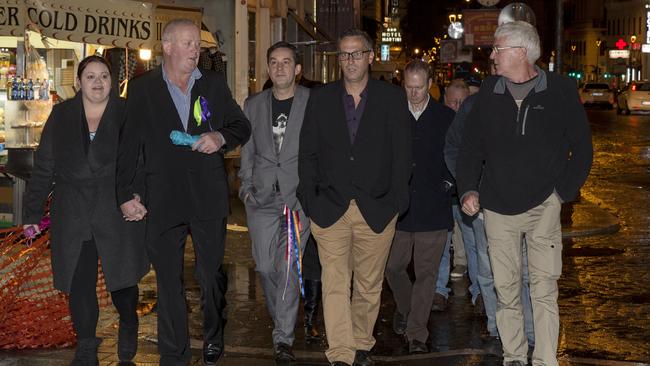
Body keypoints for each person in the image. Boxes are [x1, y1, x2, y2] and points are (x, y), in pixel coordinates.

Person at [456, 21, 592, 366]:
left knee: (544, 288)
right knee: (506, 289)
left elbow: (583, 148)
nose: (492, 56)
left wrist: (561, 194)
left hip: (544, 205)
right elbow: (471, 147)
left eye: (498, 49)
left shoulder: (559, 91)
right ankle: (514, 355)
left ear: (520, 52)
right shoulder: (488, 91)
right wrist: (468, 189)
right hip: (498, 208)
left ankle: (546, 360)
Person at [116, 19, 251, 366]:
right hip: (161, 197)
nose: (196, 50)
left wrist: (219, 137)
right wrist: (125, 194)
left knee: (210, 275)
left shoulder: (213, 85)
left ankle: (212, 334)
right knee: (168, 279)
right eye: (189, 43)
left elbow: (241, 126)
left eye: (198, 45)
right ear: (168, 46)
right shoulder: (143, 88)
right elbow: (128, 146)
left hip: (207, 196)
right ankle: (174, 354)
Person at [23, 55, 148, 365]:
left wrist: (137, 197)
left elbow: (144, 163)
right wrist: (32, 214)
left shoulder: (127, 113)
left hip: (117, 207)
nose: (97, 82)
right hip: (73, 210)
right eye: (90, 76)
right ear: (78, 82)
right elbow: (44, 167)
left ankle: (128, 320)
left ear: (113, 82)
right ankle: (87, 345)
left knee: (122, 281)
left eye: (104, 76)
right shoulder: (61, 114)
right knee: (80, 283)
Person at [298, 29, 411, 366]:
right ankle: (342, 353)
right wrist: (311, 201)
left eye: (356, 53)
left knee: (368, 284)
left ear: (370, 57)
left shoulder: (391, 99)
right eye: (344, 54)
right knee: (334, 281)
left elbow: (402, 155)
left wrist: (396, 203)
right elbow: (308, 154)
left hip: (377, 208)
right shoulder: (321, 98)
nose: (349, 61)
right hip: (329, 207)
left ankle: (360, 341)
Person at [445, 74, 535, 344]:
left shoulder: (533, 103)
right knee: (487, 268)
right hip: (486, 205)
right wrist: (469, 185)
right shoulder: (476, 105)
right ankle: (499, 328)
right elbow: (453, 146)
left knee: (525, 271)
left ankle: (528, 332)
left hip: (525, 204)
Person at [238, 41, 311, 363]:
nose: (279, 67)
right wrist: (245, 187)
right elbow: (247, 149)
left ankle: (283, 337)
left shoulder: (312, 102)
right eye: (274, 62)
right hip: (262, 198)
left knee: (289, 268)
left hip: (297, 199)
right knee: (266, 268)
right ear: (268, 68)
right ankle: (281, 315)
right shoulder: (253, 104)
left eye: (286, 62)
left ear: (297, 69)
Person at [384, 60, 454, 354]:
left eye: (419, 87)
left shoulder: (445, 118)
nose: (413, 94)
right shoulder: (391, 114)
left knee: (426, 275)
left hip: (433, 208)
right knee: (392, 267)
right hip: (398, 209)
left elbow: (459, 154)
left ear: (429, 85)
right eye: (408, 87)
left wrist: (449, 185)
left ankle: (417, 335)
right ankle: (409, 308)